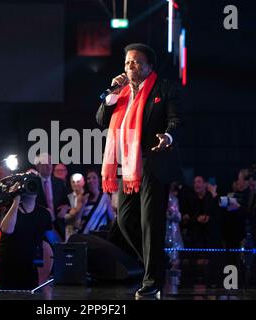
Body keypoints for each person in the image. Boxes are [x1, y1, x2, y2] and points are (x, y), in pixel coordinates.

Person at [96, 43, 183, 298]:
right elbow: (101, 120)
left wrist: (168, 136)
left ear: (148, 67)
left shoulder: (162, 88)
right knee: (124, 220)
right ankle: (154, 266)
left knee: (150, 223)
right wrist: (112, 92)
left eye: (135, 62)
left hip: (153, 163)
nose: (129, 66)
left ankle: (152, 280)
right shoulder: (120, 92)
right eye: (127, 62)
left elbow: (177, 120)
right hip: (128, 167)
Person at [0, 180, 52, 290]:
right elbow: (7, 229)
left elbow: (50, 241)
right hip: (7, 265)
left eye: (33, 183)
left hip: (30, 267)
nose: (31, 187)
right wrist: (16, 200)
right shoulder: (10, 209)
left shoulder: (44, 213)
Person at [79, 169, 115, 234]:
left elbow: (112, 219)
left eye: (94, 178)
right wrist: (83, 204)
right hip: (84, 234)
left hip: (98, 237)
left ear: (99, 180)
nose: (91, 180)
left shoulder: (105, 197)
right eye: (88, 178)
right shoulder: (84, 197)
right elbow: (77, 221)